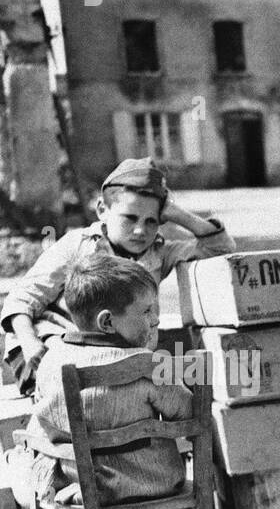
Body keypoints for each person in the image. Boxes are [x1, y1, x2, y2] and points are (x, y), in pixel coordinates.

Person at [2, 158, 234, 395]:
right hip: (49, 348)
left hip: (115, 356)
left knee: (201, 371)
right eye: (130, 218)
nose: (140, 231)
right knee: (138, 383)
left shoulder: (159, 253)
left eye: (151, 221)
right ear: (103, 210)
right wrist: (31, 343)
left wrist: (176, 214)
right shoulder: (78, 245)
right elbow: (21, 300)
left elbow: (219, 249)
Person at [13, 256, 190, 509]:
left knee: (26, 453)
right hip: (155, 482)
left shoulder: (52, 360)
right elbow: (186, 411)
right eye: (147, 311)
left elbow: (48, 427)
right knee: (123, 459)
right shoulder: (145, 365)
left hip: (82, 488)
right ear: (107, 321)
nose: (155, 319)